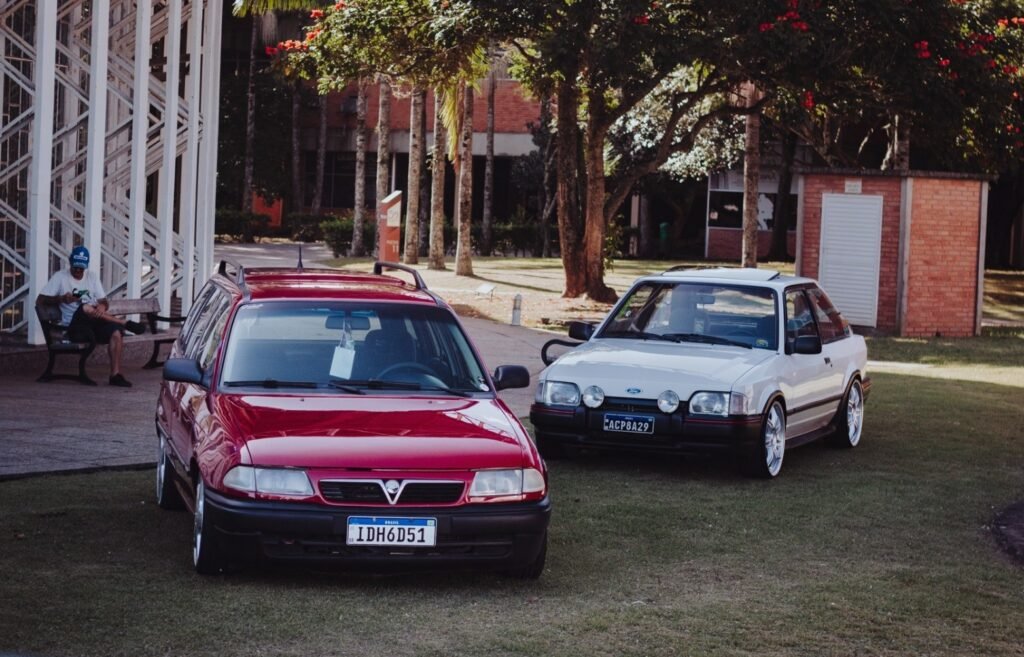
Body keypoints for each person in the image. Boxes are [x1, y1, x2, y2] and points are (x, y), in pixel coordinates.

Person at [36, 246, 145, 387]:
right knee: (86, 307)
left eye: (81, 268)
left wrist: (102, 306)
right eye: (75, 267)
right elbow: (40, 301)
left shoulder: (92, 277)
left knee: (116, 333)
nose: (78, 271)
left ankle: (115, 375)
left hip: (94, 323)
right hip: (75, 328)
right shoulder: (60, 277)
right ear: (70, 263)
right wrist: (62, 299)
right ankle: (123, 322)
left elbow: (103, 301)